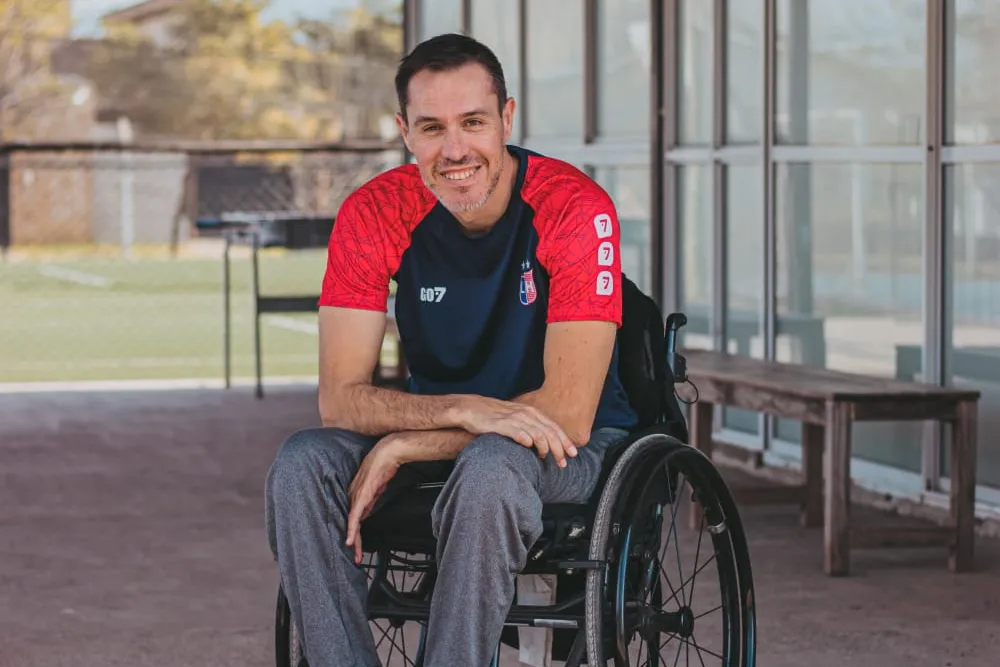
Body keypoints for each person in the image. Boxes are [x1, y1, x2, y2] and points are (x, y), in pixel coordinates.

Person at [264, 32, 638, 667]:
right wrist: (468, 411)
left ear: (507, 119)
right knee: (301, 464)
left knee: (491, 468)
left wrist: (411, 441)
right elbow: (341, 401)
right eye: (432, 128)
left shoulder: (573, 208)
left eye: (473, 122)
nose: (455, 149)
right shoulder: (374, 213)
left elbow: (566, 417)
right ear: (404, 131)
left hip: (572, 445)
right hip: (456, 423)